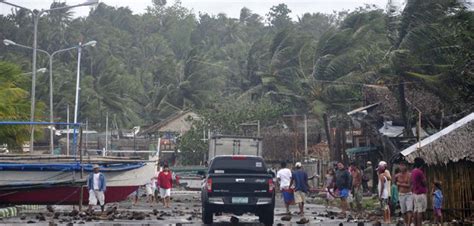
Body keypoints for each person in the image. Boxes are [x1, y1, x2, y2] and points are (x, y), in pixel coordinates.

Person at [412, 157, 427, 226]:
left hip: (415, 193)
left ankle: (416, 224)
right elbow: (424, 183)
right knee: (420, 211)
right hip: (420, 193)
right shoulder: (420, 172)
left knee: (416, 210)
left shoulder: (413, 171)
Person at [396, 161, 413, 226]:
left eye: (403, 165)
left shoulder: (409, 175)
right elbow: (396, 185)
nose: (401, 167)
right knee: (403, 211)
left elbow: (409, 185)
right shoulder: (397, 175)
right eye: (400, 165)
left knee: (409, 210)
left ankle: (408, 224)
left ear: (406, 166)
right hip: (401, 194)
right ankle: (406, 223)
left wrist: (400, 184)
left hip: (408, 194)